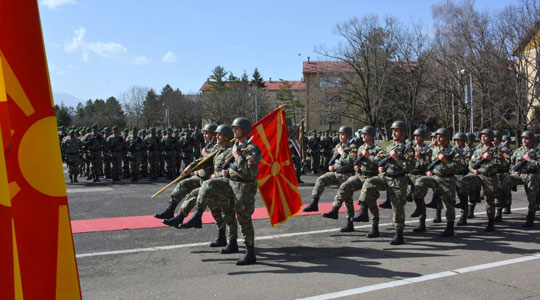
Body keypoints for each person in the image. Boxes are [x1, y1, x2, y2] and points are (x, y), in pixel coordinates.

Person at [200, 117, 261, 265]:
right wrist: (228, 172)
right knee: (223, 207)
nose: (233, 130)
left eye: (236, 128)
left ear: (244, 131)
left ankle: (250, 253)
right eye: (233, 128)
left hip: (244, 188)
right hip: (232, 184)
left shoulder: (252, 149)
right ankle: (231, 241)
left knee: (244, 220)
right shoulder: (236, 147)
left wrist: (237, 156)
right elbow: (234, 168)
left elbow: (250, 172)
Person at [359, 121, 415, 245]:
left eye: (396, 130)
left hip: (399, 180)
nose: (393, 132)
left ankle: (399, 234)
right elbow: (384, 160)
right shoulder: (390, 146)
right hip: (386, 177)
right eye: (393, 130)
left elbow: (410, 167)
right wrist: (382, 167)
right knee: (369, 183)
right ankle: (364, 212)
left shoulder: (408, 148)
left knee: (397, 207)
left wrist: (397, 159)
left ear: (403, 133)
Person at [322, 125, 383, 234]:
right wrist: (357, 167)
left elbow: (381, 163)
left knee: (371, 201)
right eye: (362, 134)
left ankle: (374, 227)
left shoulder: (377, 149)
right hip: (360, 175)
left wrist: (369, 156)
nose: (363, 136)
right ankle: (335, 209)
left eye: (365, 134)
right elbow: (355, 161)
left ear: (372, 136)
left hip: (372, 177)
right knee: (345, 186)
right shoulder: (361, 148)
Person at [157, 124, 218, 227]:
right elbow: (201, 161)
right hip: (201, 177)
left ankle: (181, 217)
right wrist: (194, 169)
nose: (204, 135)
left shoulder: (217, 146)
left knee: (214, 209)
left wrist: (199, 166)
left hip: (209, 180)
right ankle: (171, 210)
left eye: (206, 133)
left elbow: (208, 162)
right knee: (183, 184)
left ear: (213, 135)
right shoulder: (207, 145)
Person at [412, 128, 458, 236]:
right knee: (419, 181)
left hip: (447, 179)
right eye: (437, 136)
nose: (438, 138)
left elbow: (457, 167)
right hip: (435, 177)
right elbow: (430, 163)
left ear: (446, 138)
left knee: (448, 204)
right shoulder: (435, 149)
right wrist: (429, 170)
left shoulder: (453, 151)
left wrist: (445, 161)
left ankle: (450, 227)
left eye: (440, 136)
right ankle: (419, 208)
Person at [303, 126, 358, 212]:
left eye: (342, 134)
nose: (340, 136)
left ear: (348, 135)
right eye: (339, 134)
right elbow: (335, 159)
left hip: (347, 175)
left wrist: (342, 153)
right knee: (321, 179)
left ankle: (349, 221)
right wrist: (332, 165)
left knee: (347, 199)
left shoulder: (353, 147)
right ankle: (314, 202)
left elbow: (352, 161)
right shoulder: (338, 146)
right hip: (336, 173)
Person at [461, 129, 504, 232]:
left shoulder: (496, 150)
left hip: (490, 177)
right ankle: (464, 205)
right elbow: (471, 163)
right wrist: (473, 169)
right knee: (464, 181)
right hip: (478, 175)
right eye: (481, 136)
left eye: (485, 136)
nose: (482, 138)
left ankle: (490, 221)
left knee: (489, 200)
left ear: (490, 138)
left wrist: (490, 159)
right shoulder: (477, 150)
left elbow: (502, 163)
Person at [500, 131, 539, 227]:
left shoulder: (537, 151)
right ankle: (503, 202)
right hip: (519, 175)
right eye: (523, 138)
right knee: (506, 181)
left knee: (532, 199)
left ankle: (530, 218)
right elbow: (511, 164)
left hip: (532, 176)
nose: (524, 140)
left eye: (527, 138)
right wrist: (514, 171)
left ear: (531, 140)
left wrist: (530, 160)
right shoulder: (518, 151)